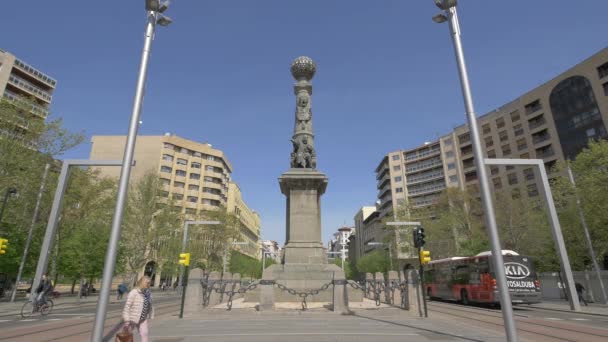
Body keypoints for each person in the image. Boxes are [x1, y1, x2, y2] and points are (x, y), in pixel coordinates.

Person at [122, 276, 154, 342]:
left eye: (149, 283)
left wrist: (151, 314)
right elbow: (127, 306)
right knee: (127, 335)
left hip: (142, 318)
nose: (148, 285)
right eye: (147, 283)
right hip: (132, 318)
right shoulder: (134, 292)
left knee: (144, 333)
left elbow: (150, 305)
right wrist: (126, 319)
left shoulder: (148, 293)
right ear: (141, 282)